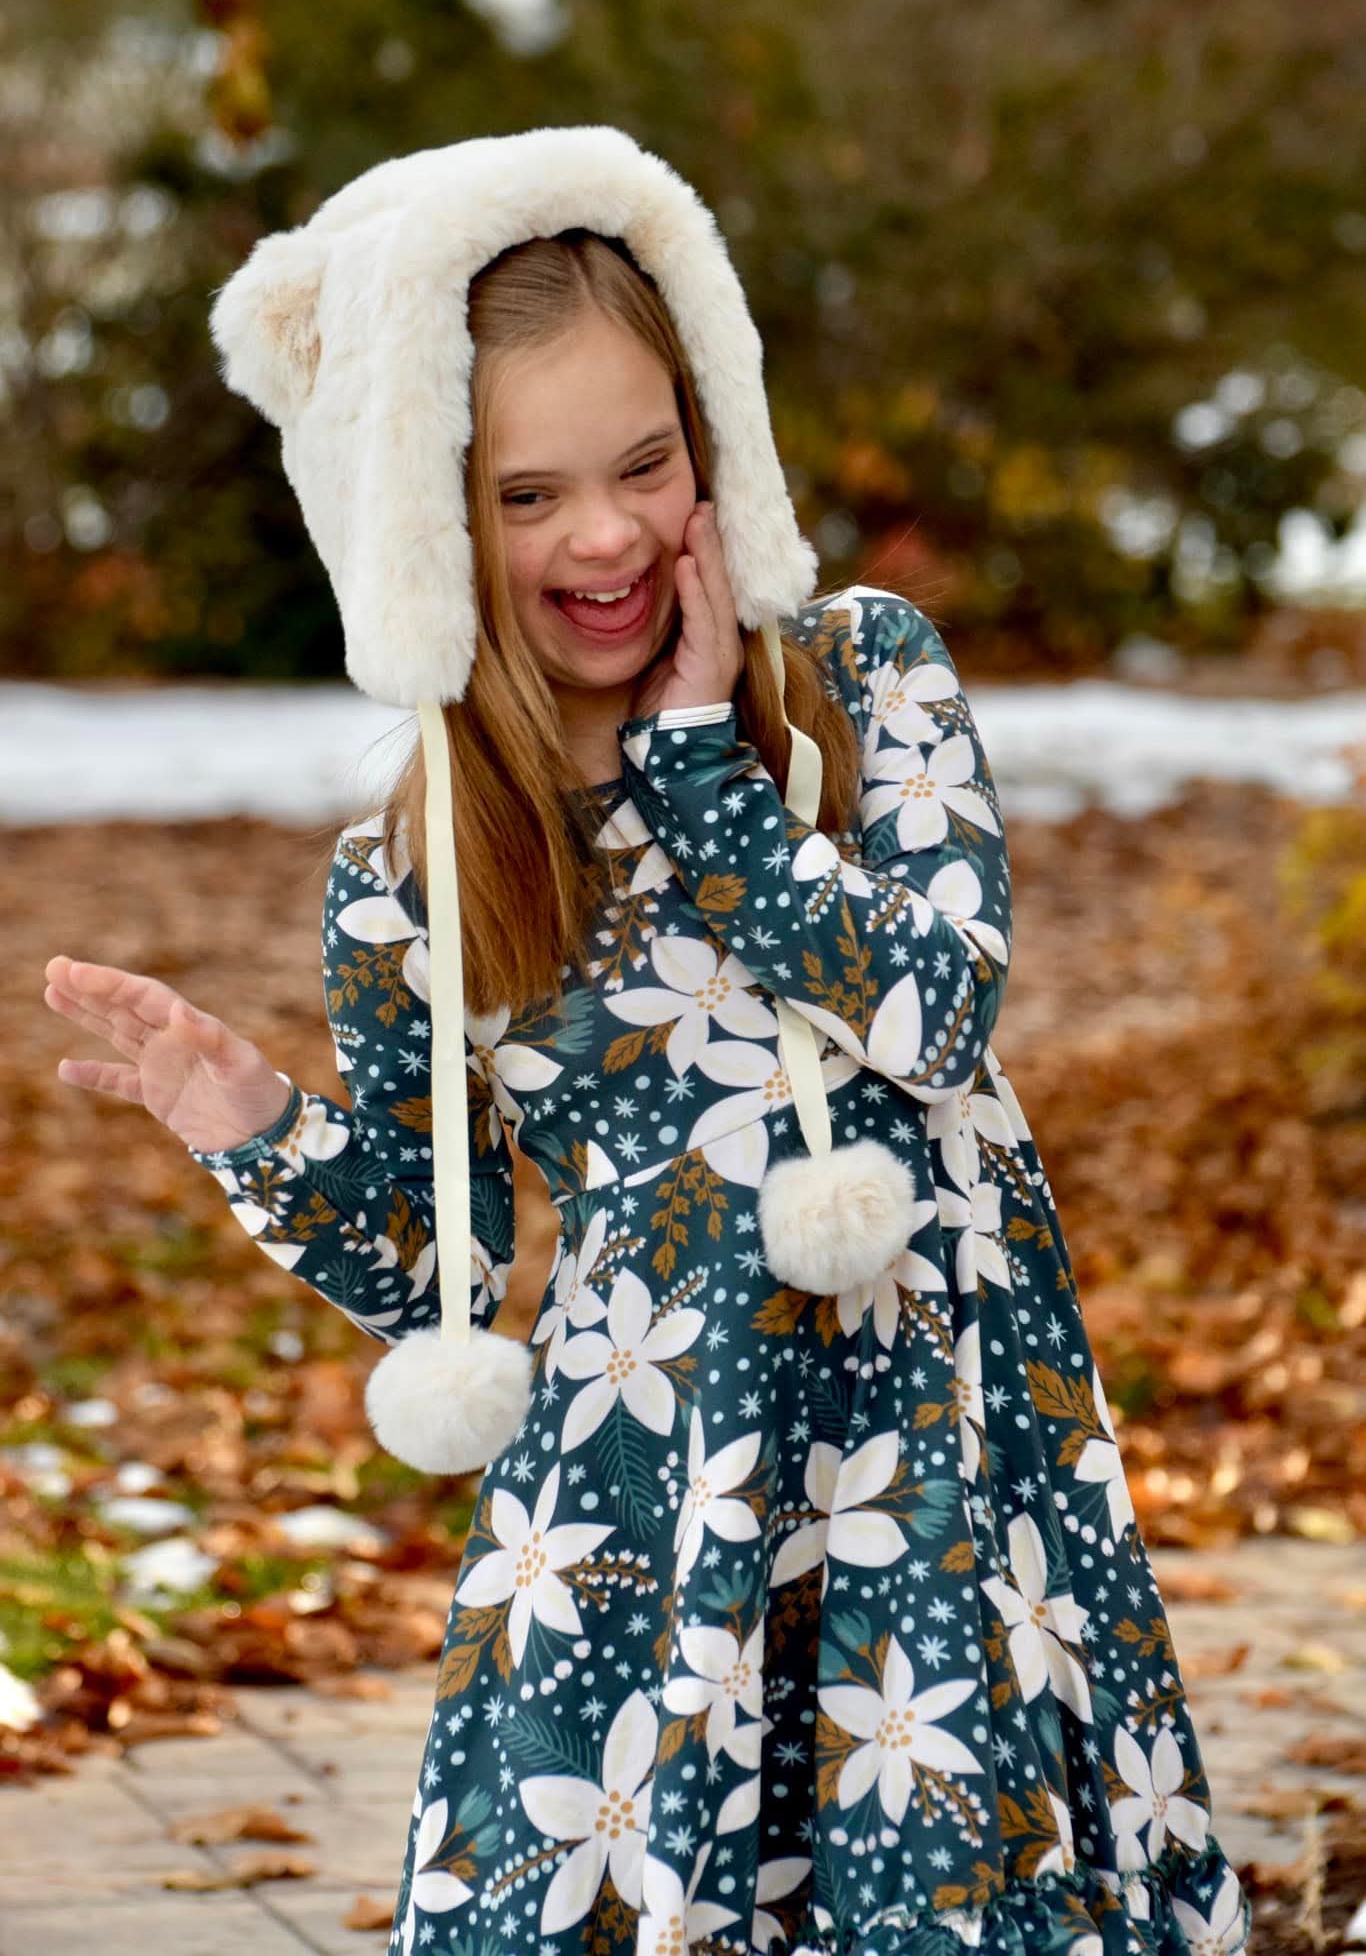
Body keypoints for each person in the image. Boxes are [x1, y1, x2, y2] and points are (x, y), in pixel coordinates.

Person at [44, 128, 1250, 1956]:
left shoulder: (861, 683)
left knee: (938, 1881)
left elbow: (939, 1009)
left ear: (714, 447)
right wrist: (252, 1119)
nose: (601, 535)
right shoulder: (419, 868)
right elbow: (439, 1264)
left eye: (643, 465)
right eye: (523, 498)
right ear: (425, 529)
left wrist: (711, 778)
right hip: (651, 1496)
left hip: (931, 1444)